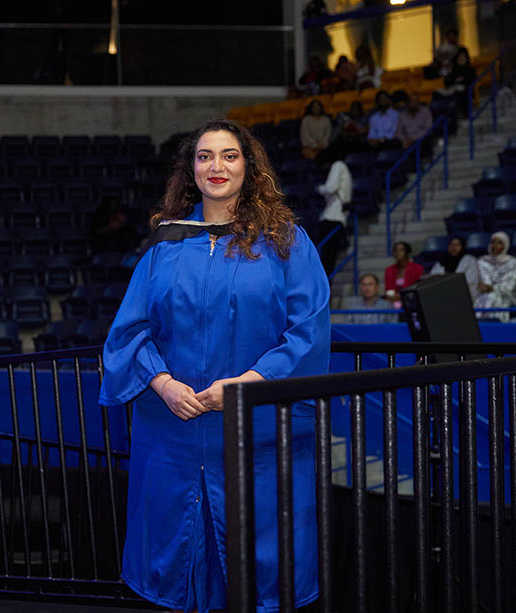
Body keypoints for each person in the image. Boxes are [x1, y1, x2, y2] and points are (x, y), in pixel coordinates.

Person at [98, 119, 330, 612]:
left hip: (259, 430)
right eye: (205, 157)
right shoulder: (164, 246)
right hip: (173, 432)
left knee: (261, 561)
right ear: (191, 170)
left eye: (229, 155)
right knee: (175, 557)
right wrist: (161, 384)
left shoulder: (285, 242)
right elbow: (128, 331)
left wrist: (250, 384)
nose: (216, 166)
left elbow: (307, 330)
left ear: (249, 166)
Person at [316, 158, 352, 277]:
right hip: (337, 218)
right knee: (327, 258)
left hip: (332, 218)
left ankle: (326, 290)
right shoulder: (344, 168)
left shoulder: (337, 165)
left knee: (327, 258)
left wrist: (320, 189)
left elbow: (331, 188)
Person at [474, 231, 516, 321]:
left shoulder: (512, 261)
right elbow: (485, 284)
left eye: (499, 243)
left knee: (493, 297)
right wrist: (490, 288)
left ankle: (496, 325)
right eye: (493, 242)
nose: (495, 245)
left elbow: (509, 287)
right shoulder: (482, 261)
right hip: (486, 296)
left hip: (508, 296)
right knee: (489, 297)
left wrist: (491, 288)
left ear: (506, 245)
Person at [429, 235, 480, 300]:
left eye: (457, 245)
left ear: (462, 247)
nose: (453, 247)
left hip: (465, 295)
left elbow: (471, 280)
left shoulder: (470, 260)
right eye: (451, 244)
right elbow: (433, 278)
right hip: (443, 295)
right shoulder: (441, 262)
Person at [437, 48, 477, 118]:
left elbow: (470, 80)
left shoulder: (471, 70)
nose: (461, 59)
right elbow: (447, 82)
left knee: (460, 93)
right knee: (438, 94)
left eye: (463, 57)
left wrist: (457, 81)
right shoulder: (453, 70)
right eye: (460, 57)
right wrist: (457, 81)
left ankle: (462, 114)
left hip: (466, 92)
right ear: (457, 58)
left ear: (467, 58)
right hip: (453, 91)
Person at [384, 241, 424, 307]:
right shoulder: (389, 270)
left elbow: (417, 289)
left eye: (401, 250)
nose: (397, 253)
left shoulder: (417, 268)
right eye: (395, 250)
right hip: (394, 302)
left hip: (412, 301)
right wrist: (393, 296)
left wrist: (402, 297)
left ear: (407, 253)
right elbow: (389, 291)